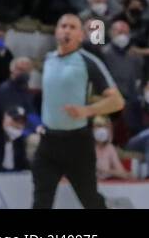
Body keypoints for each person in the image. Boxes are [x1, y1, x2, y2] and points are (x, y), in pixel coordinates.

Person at [32, 13, 124, 208]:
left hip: (77, 144)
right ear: (56, 31)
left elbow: (117, 101)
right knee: (41, 201)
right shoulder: (48, 60)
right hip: (48, 142)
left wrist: (87, 110)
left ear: (81, 35)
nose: (66, 30)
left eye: (72, 27)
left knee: (90, 200)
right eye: (63, 26)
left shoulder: (88, 62)